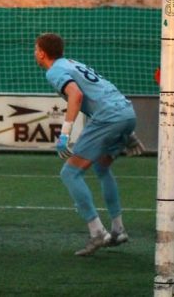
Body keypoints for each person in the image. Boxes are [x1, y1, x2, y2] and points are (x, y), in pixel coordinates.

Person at [35, 32, 136, 256]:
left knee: (70, 173)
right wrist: (127, 129)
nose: (35, 53)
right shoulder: (72, 63)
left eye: (36, 49)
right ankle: (118, 229)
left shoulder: (54, 70)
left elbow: (76, 95)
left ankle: (97, 232)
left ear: (42, 53)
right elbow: (102, 89)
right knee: (102, 167)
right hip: (126, 111)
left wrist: (65, 134)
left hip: (108, 118)